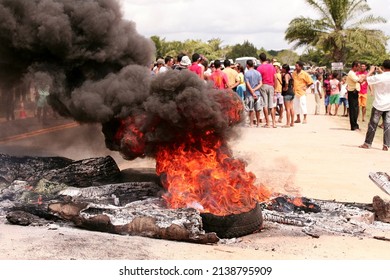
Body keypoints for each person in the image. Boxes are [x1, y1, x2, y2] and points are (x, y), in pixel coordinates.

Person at [359, 60, 390, 151]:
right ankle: (386, 145)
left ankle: (367, 143)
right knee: (388, 125)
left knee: (373, 124)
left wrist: (371, 71)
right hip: (389, 105)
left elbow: (363, 79)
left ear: (383, 67)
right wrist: (381, 71)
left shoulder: (378, 77)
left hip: (379, 104)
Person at [257, 53, 277, 128]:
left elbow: (259, 79)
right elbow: (275, 77)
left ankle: (268, 123)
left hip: (263, 85)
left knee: (265, 104)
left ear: (260, 59)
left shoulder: (259, 68)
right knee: (271, 104)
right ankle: (274, 122)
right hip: (271, 85)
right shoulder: (271, 67)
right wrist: (275, 87)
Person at [346, 61, 364, 131]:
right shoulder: (351, 74)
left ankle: (355, 125)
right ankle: (353, 126)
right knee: (353, 109)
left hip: (355, 92)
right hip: (352, 92)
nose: (359, 68)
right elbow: (359, 80)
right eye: (358, 66)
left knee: (355, 109)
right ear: (354, 66)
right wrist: (364, 77)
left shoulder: (354, 73)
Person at [244, 59, 263, 127]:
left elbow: (247, 84)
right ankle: (258, 123)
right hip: (257, 93)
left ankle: (251, 123)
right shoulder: (258, 73)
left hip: (249, 94)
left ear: (247, 65)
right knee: (258, 110)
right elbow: (261, 83)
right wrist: (255, 90)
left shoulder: (246, 74)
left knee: (251, 109)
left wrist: (252, 91)